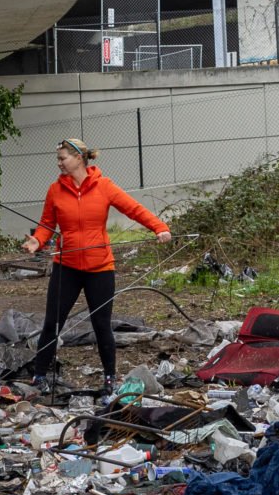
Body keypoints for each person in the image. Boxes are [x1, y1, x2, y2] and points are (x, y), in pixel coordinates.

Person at [23, 137, 171, 397]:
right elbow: (47, 224)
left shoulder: (103, 186)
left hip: (100, 268)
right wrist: (38, 240)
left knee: (101, 324)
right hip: (66, 266)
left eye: (62, 158)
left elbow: (133, 209)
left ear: (79, 158)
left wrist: (159, 227)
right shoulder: (55, 190)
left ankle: (109, 379)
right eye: (58, 159)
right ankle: (40, 376)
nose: (58, 163)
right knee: (52, 323)